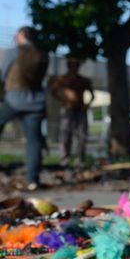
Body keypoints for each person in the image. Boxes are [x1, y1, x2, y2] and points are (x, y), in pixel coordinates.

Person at [0, 26, 49, 190]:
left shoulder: (14, 52)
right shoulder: (43, 54)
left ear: (22, 35)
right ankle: (32, 179)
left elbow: (3, 74)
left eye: (17, 34)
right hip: (35, 102)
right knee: (34, 141)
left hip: (14, 98)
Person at [51, 56, 93, 169]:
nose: (74, 68)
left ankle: (80, 159)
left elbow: (92, 95)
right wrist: (63, 101)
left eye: (76, 65)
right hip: (68, 110)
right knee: (65, 135)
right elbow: (53, 91)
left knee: (81, 136)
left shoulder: (83, 80)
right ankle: (64, 159)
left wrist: (86, 105)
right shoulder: (63, 79)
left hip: (80, 109)